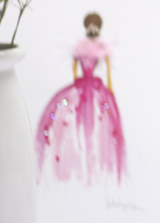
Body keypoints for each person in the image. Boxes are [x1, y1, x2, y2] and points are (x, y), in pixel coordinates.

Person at [35, 13, 125, 185]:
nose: (93, 29)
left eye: (95, 27)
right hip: (84, 85)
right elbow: (76, 68)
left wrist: (110, 90)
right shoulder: (80, 48)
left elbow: (105, 72)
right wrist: (78, 80)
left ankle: (93, 161)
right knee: (76, 117)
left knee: (98, 120)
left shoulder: (101, 49)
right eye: (91, 26)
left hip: (92, 86)